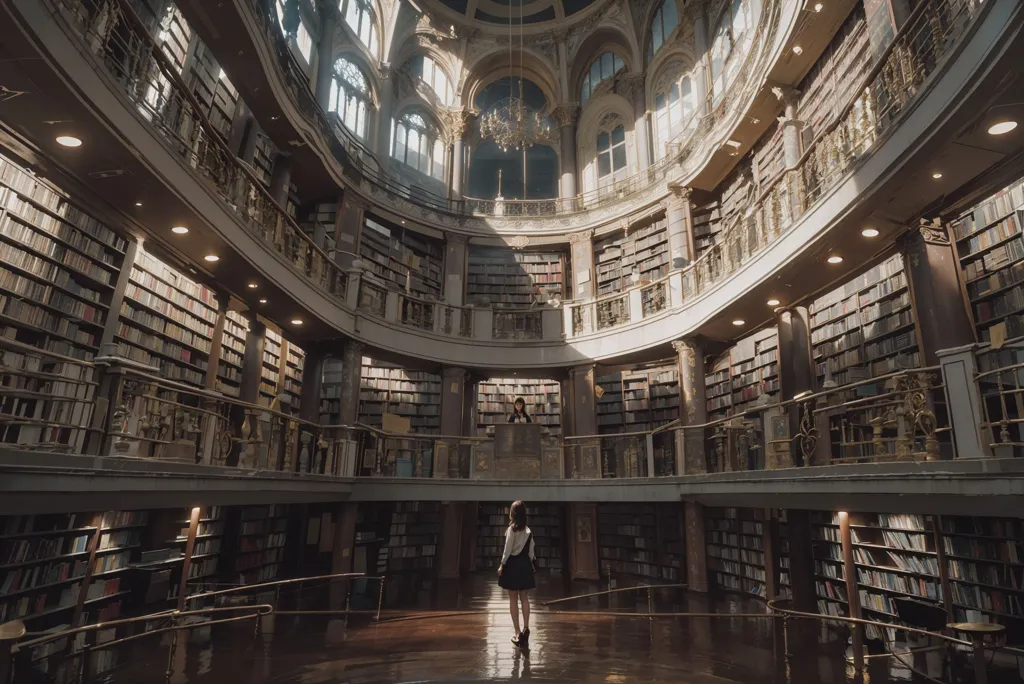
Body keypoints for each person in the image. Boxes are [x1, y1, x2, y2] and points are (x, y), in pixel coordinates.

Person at [497, 500, 536, 648]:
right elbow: (532, 551)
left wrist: (502, 565)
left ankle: (517, 632)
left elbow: (507, 550)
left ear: (513, 514)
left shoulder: (511, 530)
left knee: (513, 599)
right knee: (524, 598)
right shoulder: (528, 531)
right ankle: (526, 628)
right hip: (525, 564)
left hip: (513, 565)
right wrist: (531, 563)